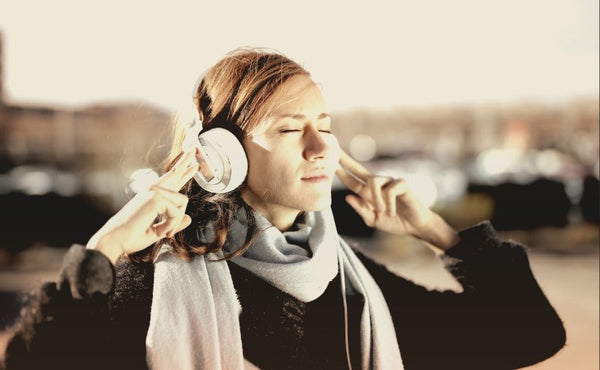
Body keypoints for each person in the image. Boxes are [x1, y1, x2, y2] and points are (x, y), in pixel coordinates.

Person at [4, 48, 565, 370]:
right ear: (223, 156)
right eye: (292, 129)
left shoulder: (349, 283)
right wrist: (104, 251)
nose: (323, 148)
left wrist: (436, 231)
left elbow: (529, 334)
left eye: (325, 126)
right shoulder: (150, 281)